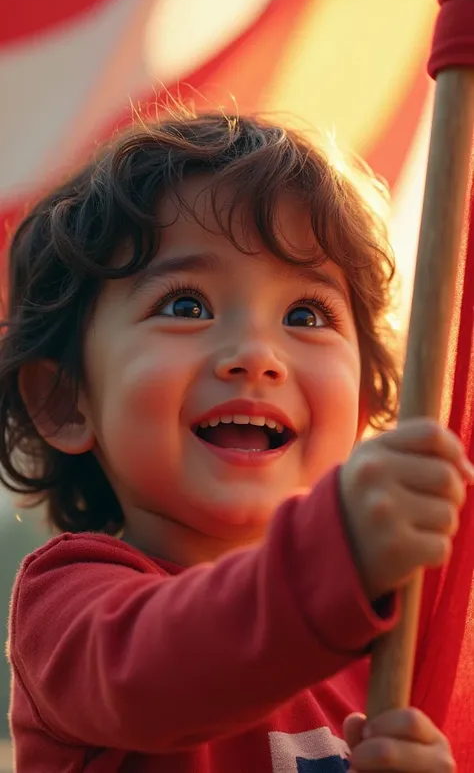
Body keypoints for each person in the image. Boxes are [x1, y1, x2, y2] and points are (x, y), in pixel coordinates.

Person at [1, 112, 469, 772]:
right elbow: (161, 673)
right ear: (63, 399)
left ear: (363, 403)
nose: (256, 355)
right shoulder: (68, 608)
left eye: (306, 314)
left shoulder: (390, 660)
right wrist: (337, 556)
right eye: (186, 305)